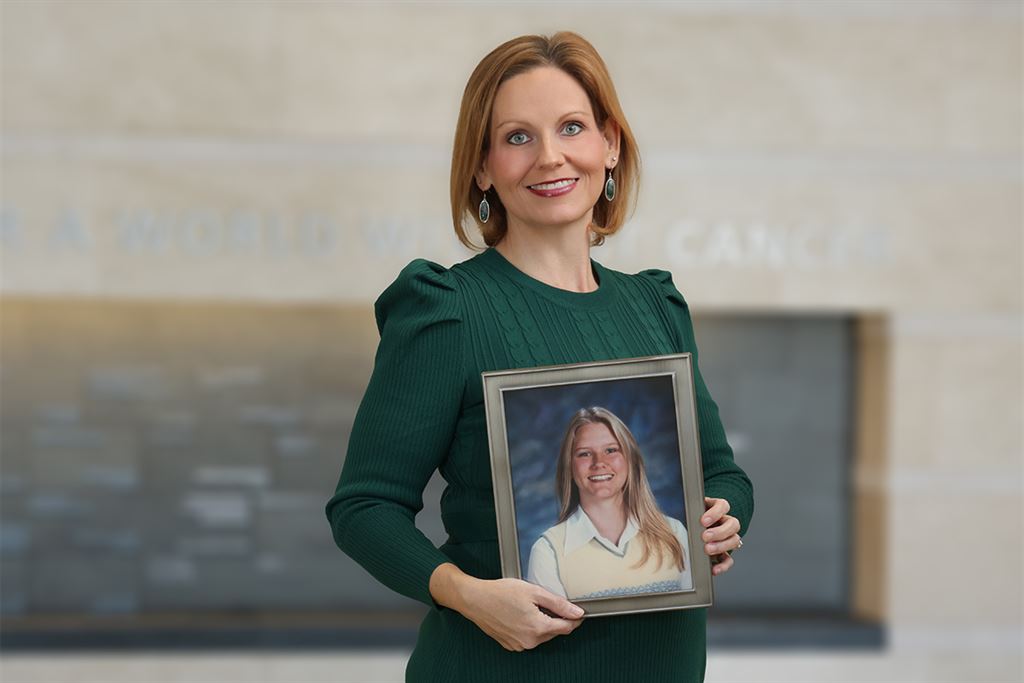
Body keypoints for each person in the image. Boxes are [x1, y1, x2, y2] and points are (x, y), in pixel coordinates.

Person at [325, 31, 753, 683]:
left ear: (610, 144)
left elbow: (720, 472)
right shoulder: (447, 312)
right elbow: (364, 508)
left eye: (571, 127)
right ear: (482, 167)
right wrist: (467, 593)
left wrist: (722, 517)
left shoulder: (657, 305)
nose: (550, 157)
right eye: (517, 136)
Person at [526, 406, 693, 600]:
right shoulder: (548, 552)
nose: (599, 462)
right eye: (584, 453)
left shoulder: (674, 533)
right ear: (569, 467)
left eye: (611, 450)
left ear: (631, 461)